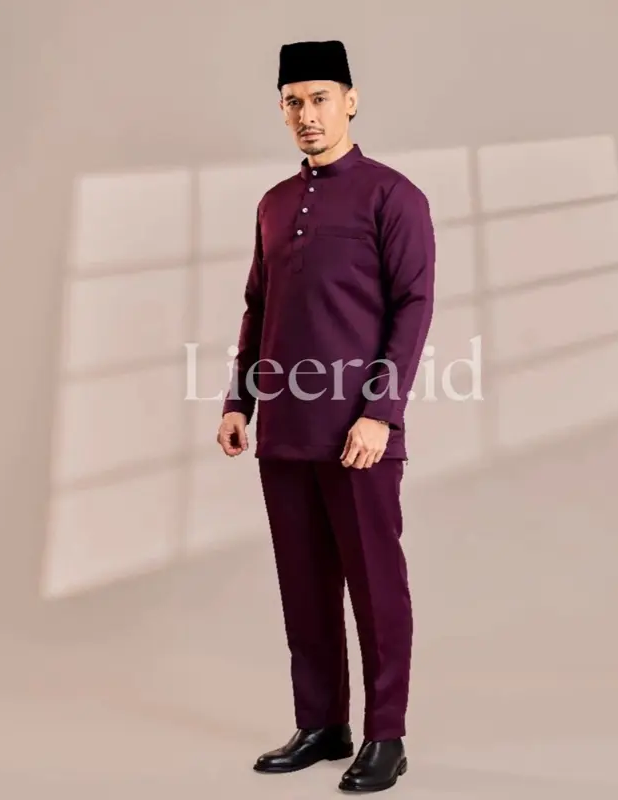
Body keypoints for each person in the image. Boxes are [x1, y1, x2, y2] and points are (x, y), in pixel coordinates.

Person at [216, 39, 435, 793]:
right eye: (293, 102)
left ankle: (385, 735)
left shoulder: (392, 195)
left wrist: (381, 413)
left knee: (376, 586)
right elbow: (258, 308)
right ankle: (321, 724)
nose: (306, 114)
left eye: (319, 98)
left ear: (351, 101)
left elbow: (414, 307)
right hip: (283, 429)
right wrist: (238, 400)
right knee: (304, 585)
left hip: (359, 434)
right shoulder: (275, 203)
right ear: (281, 111)